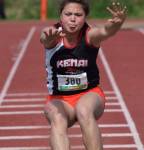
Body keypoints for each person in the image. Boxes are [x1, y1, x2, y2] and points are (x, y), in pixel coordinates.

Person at [40, 0, 127, 149]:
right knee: (56, 117)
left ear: (85, 17)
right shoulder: (52, 34)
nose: (73, 18)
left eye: (78, 15)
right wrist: (48, 37)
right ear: (60, 16)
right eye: (68, 14)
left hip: (90, 94)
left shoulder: (90, 35)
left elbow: (105, 31)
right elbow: (44, 38)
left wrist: (117, 24)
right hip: (60, 98)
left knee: (84, 110)